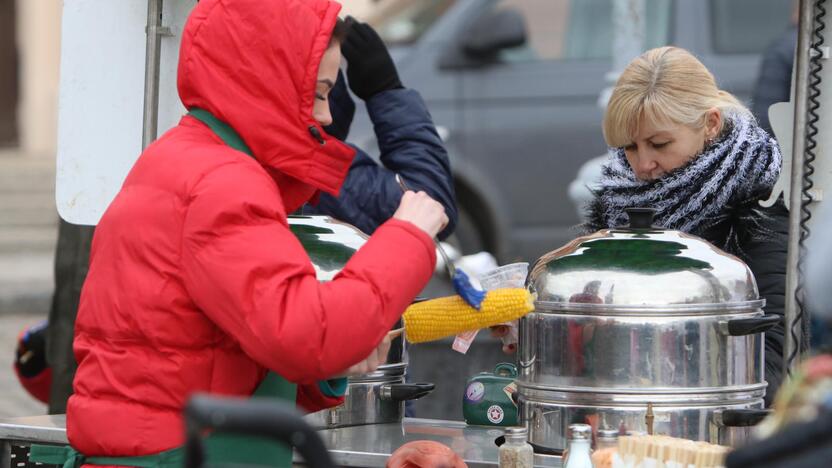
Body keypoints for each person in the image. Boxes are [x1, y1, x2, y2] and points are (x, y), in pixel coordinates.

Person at [64, 0, 447, 464]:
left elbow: (209, 353)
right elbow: (310, 336)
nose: (326, 118)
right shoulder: (222, 183)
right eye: (320, 93)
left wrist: (330, 370)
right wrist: (407, 234)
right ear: (269, 80)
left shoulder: (184, 160)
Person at [584, 46, 788, 407]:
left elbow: (772, 348)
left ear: (710, 124)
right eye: (630, 147)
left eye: (659, 144)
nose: (642, 164)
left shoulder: (761, 201)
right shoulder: (619, 194)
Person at [306, 20, 457, 240]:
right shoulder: (302, 167)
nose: (326, 115)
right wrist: (386, 91)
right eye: (320, 93)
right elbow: (432, 209)